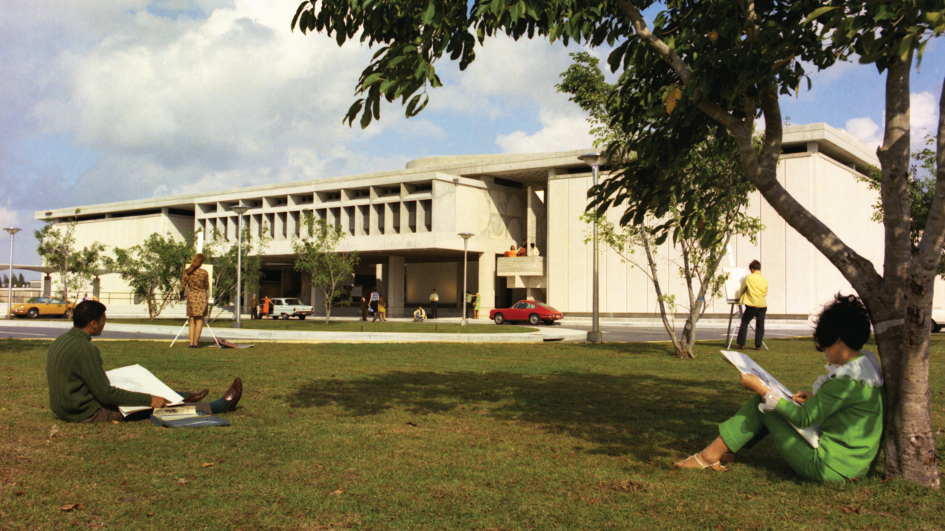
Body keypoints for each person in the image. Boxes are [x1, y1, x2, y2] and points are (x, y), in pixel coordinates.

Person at [674, 294, 884, 482]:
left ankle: (709, 456)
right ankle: (724, 450)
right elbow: (846, 407)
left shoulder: (843, 380)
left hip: (828, 468)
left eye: (825, 344)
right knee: (770, 402)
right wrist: (814, 398)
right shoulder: (864, 368)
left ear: (836, 339)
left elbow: (803, 419)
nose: (824, 351)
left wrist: (763, 390)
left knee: (762, 403)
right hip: (856, 467)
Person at [46, 300, 243, 423]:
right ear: (93, 323)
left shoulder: (61, 341)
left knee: (137, 388)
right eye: (104, 320)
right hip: (85, 412)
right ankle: (217, 406)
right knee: (159, 407)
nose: (105, 324)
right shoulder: (86, 349)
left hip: (66, 408)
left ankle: (179, 395)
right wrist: (149, 400)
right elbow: (105, 395)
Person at [735, 260, 768, 350]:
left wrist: (739, 296)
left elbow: (742, 288)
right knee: (760, 325)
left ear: (752, 269)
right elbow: (765, 293)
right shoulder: (764, 280)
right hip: (762, 305)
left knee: (745, 323)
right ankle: (758, 345)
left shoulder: (749, 278)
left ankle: (742, 344)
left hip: (752, 304)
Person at [180, 253, 210, 348]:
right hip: (201, 297)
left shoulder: (187, 272)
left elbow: (182, 287)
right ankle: (196, 343)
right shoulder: (204, 273)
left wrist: (181, 296)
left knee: (192, 320)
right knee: (199, 319)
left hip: (191, 297)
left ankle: (191, 343)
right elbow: (206, 286)